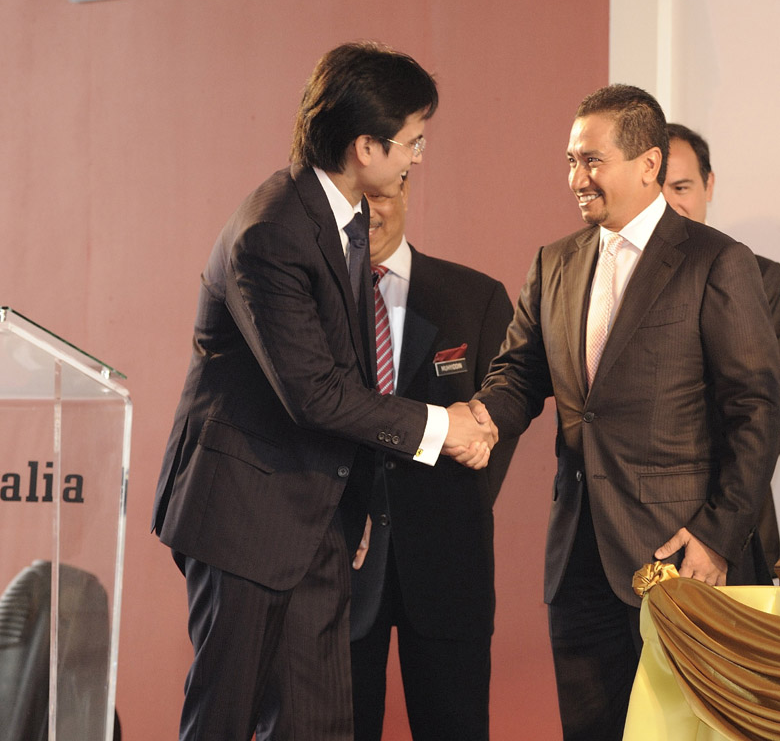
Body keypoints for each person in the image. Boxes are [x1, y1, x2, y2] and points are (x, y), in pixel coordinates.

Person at [151, 41, 498, 741]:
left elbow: (347, 379)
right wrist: (443, 427)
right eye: (412, 141)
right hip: (244, 519)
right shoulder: (274, 229)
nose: (418, 158)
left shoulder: (342, 219)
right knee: (226, 717)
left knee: (318, 726)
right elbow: (316, 391)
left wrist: (360, 504)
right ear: (365, 146)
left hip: (317, 524)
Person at [474, 84, 780, 741]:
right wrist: (476, 420)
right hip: (579, 559)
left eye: (591, 160)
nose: (576, 178)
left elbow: (755, 412)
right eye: (570, 161)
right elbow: (518, 377)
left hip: (683, 557)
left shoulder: (716, 261)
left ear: (648, 165)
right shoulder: (554, 262)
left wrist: (719, 537)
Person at [349, 174, 514, 741]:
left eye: (380, 197)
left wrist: (456, 505)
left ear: (406, 189)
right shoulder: (311, 301)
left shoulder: (476, 297)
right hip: (341, 562)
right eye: (355, 199)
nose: (367, 212)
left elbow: (499, 425)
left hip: (450, 565)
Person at [662, 122, 780, 572]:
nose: (671, 202)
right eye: (659, 187)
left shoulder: (769, 284)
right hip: (637, 532)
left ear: (709, 185)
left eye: (683, 186)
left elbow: (763, 417)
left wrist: (720, 531)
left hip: (739, 532)